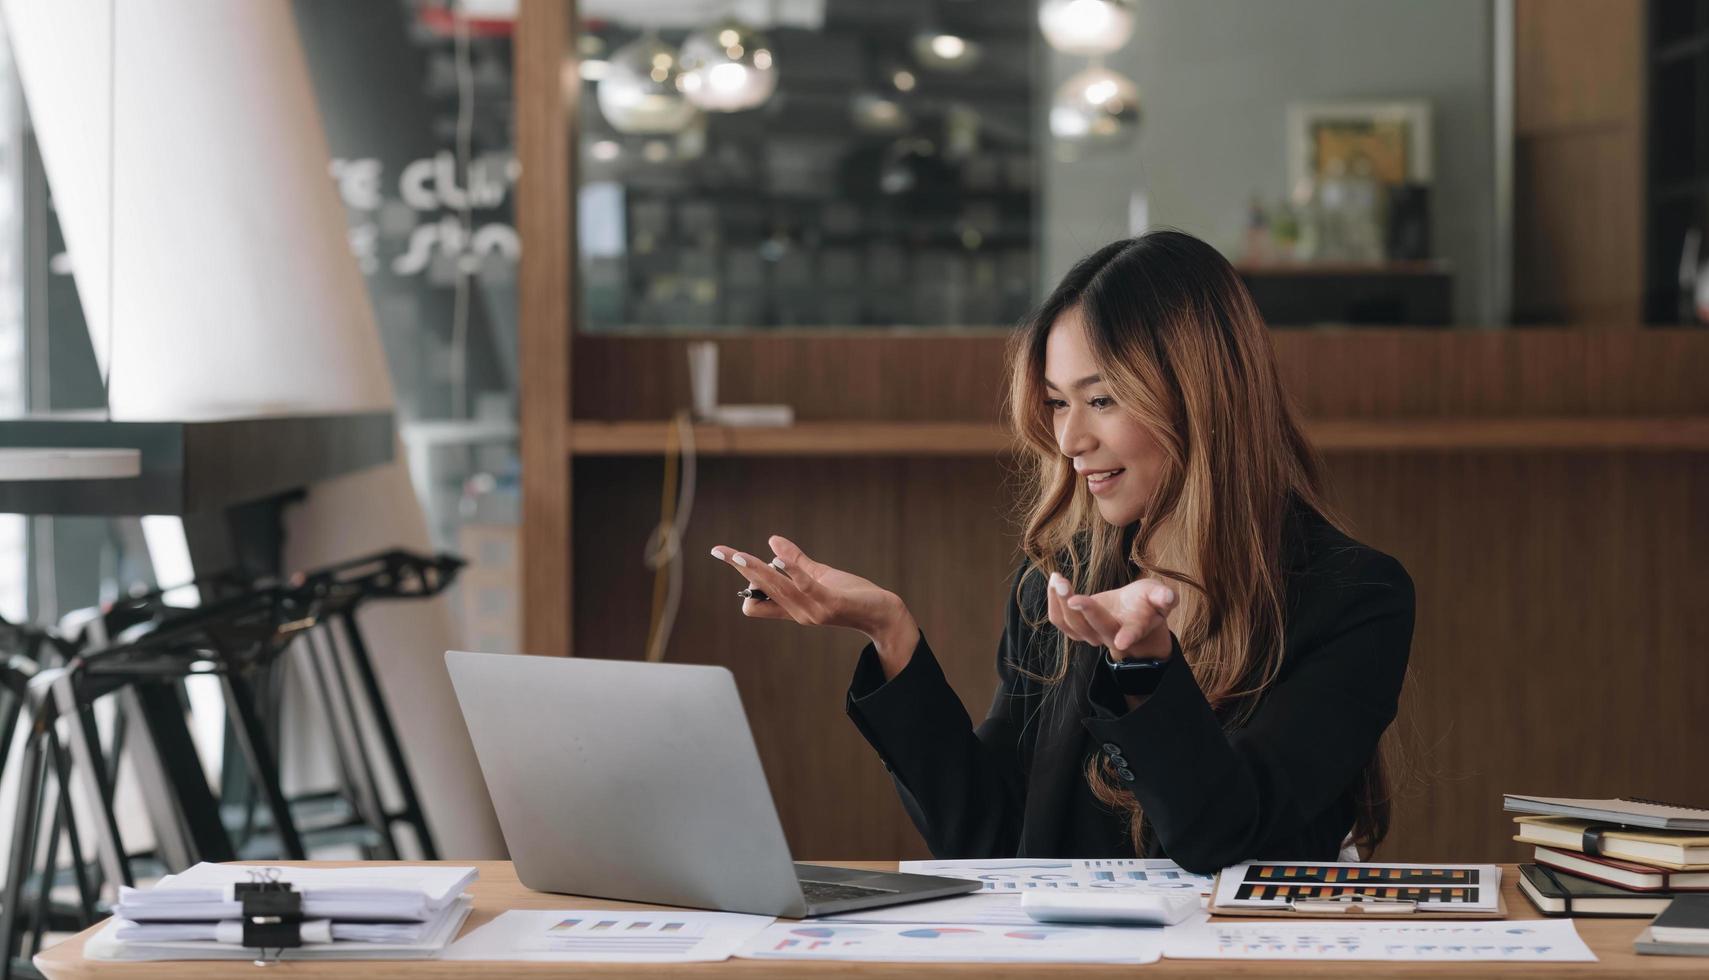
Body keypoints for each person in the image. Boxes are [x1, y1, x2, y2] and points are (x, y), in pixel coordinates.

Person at [709, 230, 1414, 873]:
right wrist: (889, 634)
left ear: (1200, 399)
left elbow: (1223, 839)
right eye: (1055, 402)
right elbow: (986, 839)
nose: (1070, 440)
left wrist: (1143, 670)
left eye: (1100, 400)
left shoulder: (1354, 596)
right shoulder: (1059, 581)